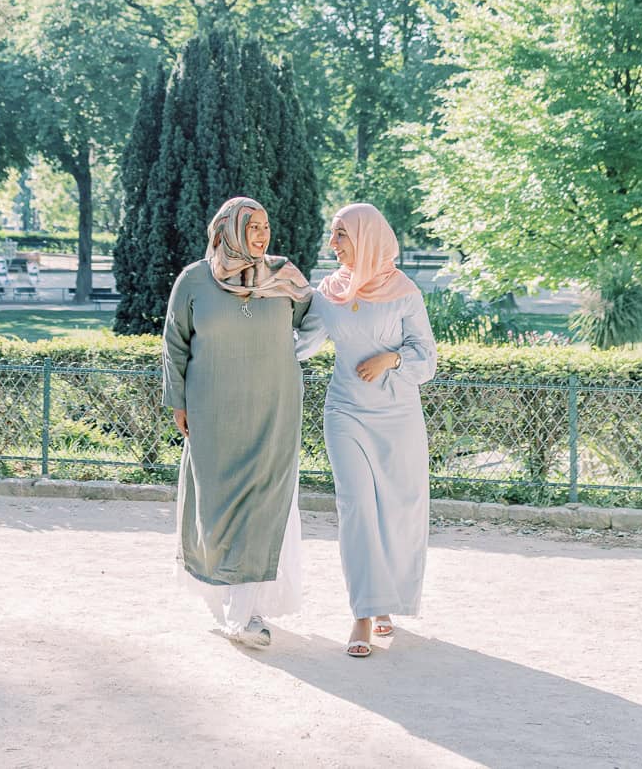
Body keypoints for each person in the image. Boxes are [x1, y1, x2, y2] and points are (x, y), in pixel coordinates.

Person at [162, 195, 315, 648]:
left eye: (265, 225)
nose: (261, 234)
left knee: (264, 502)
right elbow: (174, 345)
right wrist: (178, 402)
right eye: (251, 226)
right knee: (218, 503)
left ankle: (247, 613)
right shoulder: (194, 280)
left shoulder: (284, 276)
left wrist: (293, 357)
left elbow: (318, 322)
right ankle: (226, 600)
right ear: (227, 230)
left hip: (274, 409)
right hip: (211, 414)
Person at [297, 201, 438, 658]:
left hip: (397, 417)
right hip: (345, 413)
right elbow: (301, 344)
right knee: (357, 506)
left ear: (367, 238)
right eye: (333, 234)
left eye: (341, 235)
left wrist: (391, 359)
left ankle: (385, 605)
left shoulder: (404, 292)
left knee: (396, 509)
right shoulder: (327, 292)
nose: (332, 244)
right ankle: (362, 611)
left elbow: (427, 358)